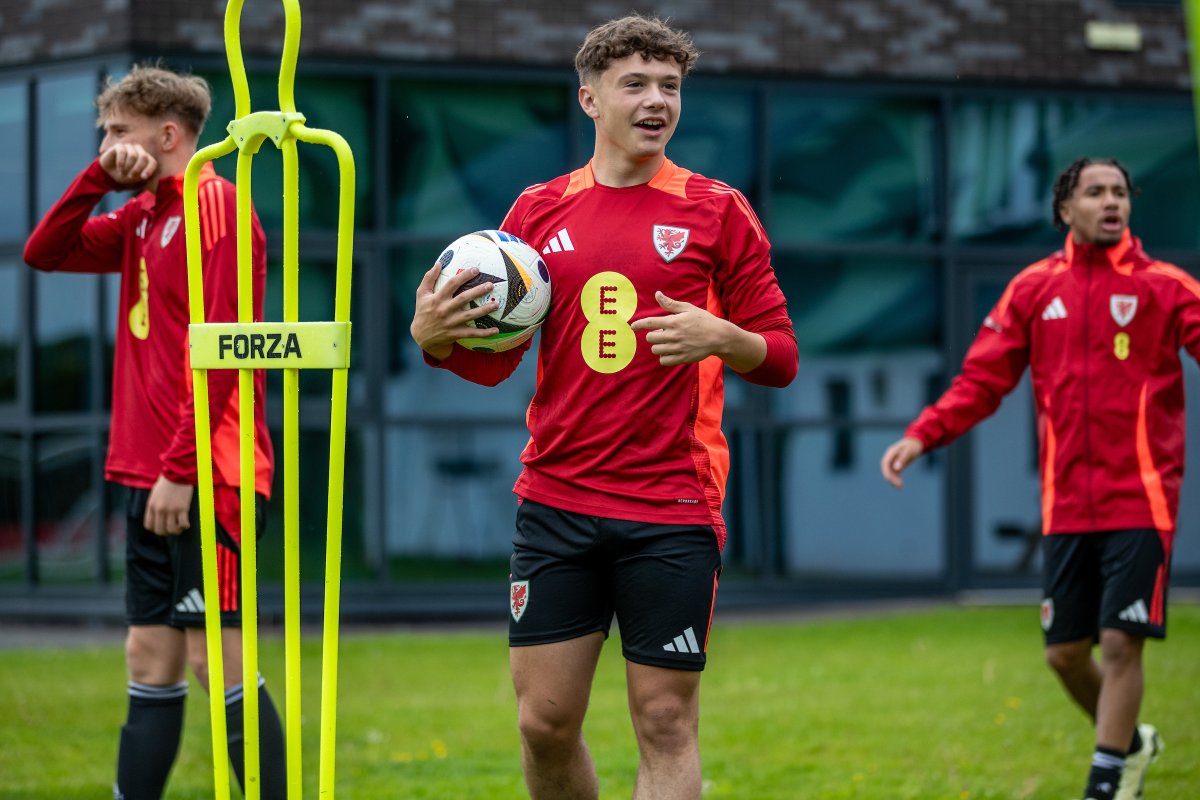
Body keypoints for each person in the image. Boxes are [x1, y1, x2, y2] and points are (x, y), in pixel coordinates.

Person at [410, 14, 797, 800]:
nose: (657, 101)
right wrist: (434, 338)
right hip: (556, 501)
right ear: (590, 98)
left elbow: (781, 358)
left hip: (673, 504)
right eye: (637, 85)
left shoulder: (717, 210)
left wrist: (723, 335)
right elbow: (500, 366)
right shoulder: (536, 213)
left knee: (663, 720)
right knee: (543, 726)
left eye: (670, 87)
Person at [880, 157, 1183, 800]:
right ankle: (1131, 745)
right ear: (1064, 209)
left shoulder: (1165, 287)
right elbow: (980, 382)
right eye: (1095, 192)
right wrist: (921, 434)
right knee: (1065, 656)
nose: (1112, 203)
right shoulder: (1032, 290)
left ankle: (1106, 781)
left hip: (1143, 501)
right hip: (1067, 505)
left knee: (1121, 644)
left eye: (1121, 193)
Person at [23, 64, 286, 800]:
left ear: (167, 135)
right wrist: (96, 180)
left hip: (210, 474)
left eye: (116, 133)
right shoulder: (141, 214)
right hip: (147, 474)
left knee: (217, 662)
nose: (105, 145)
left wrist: (181, 467)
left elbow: (228, 347)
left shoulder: (216, 206)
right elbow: (44, 252)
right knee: (148, 657)